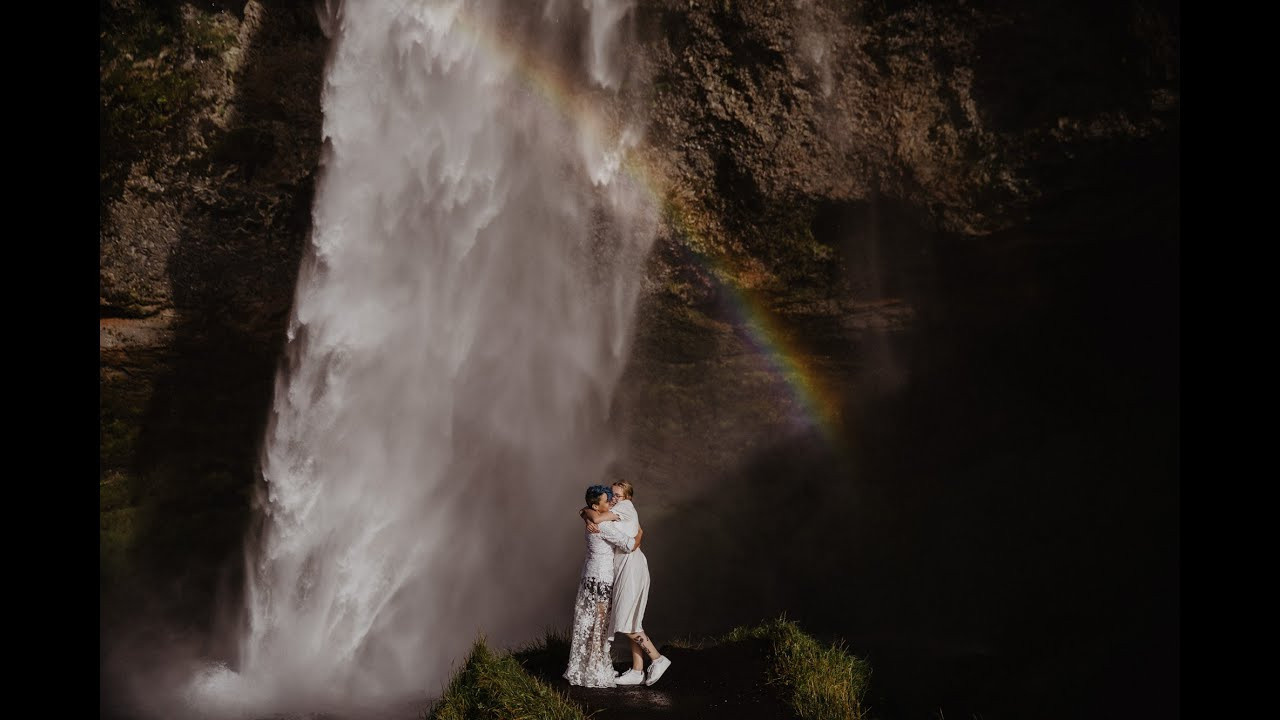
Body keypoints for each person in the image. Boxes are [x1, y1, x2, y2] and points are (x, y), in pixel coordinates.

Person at [581, 479, 672, 687]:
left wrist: (588, 514)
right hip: (624, 565)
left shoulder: (625, 507)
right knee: (632, 620)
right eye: (611, 495)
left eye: (618, 496)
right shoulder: (618, 507)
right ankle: (637, 671)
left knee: (624, 619)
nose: (613, 499)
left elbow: (596, 514)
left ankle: (658, 659)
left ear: (628, 498)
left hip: (631, 566)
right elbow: (591, 512)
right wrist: (585, 514)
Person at [563, 485, 641, 688]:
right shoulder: (603, 526)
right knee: (599, 626)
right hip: (601, 580)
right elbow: (630, 545)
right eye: (607, 501)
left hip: (588, 576)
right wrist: (640, 533)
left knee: (587, 623)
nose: (611, 503)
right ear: (596, 505)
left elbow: (585, 510)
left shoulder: (593, 519)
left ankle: (583, 667)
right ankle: (595, 671)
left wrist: (586, 515)